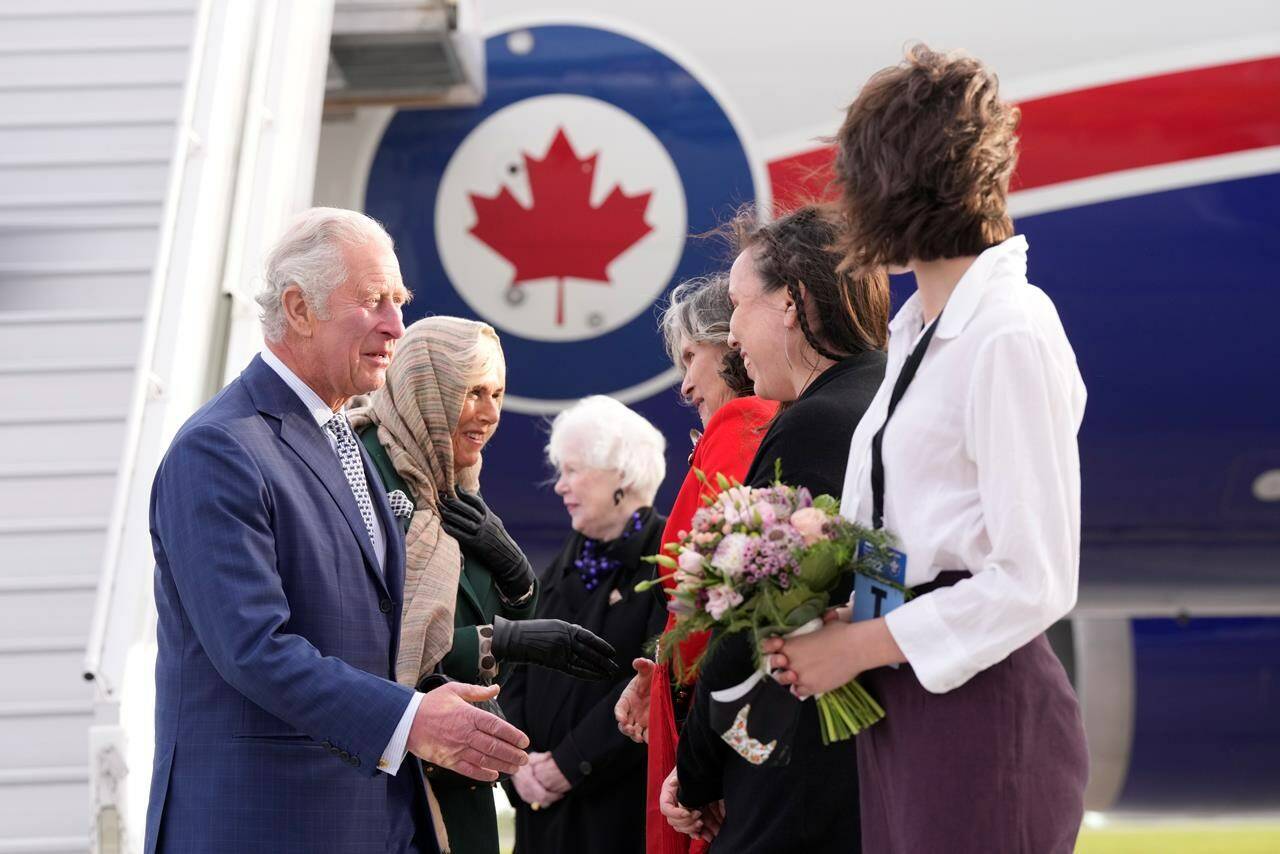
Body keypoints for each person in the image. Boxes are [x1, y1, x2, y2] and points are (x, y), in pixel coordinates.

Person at [765, 46, 1090, 853]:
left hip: (980, 706)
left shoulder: (1009, 331)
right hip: (910, 696)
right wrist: (848, 620)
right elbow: (907, 533)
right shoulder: (918, 332)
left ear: (899, 184)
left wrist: (857, 644)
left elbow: (1033, 577)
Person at [145, 208, 529, 854]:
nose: (395, 326)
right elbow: (255, 649)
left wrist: (430, 700)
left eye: (400, 301)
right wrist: (410, 720)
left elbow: (353, 638)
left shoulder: (339, 440)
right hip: (265, 826)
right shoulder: (219, 450)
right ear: (298, 308)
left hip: (363, 822)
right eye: (375, 301)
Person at [666, 205, 890, 852]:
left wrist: (695, 768)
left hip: (806, 779)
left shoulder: (815, 422)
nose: (731, 335)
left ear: (791, 303)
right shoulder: (886, 394)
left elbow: (753, 613)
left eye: (738, 305)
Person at [349, 316, 617, 854]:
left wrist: (517, 576)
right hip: (383, 790)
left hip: (455, 783)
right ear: (429, 387)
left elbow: (479, 628)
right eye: (473, 392)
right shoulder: (364, 475)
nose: (491, 414)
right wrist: (506, 639)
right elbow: (365, 640)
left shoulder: (449, 479)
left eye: (497, 393)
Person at [611, 275, 776, 854]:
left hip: (718, 727)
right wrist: (657, 669)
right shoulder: (754, 427)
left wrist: (704, 761)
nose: (683, 385)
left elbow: (713, 605)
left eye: (689, 357)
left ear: (728, 342)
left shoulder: (741, 429)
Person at [502, 395, 670, 853]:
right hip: (541, 812)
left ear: (621, 473)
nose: (560, 486)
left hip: (617, 814)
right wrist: (518, 763)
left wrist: (570, 765)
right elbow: (517, 663)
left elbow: (655, 682)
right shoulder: (566, 559)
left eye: (573, 470)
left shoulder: (669, 559)